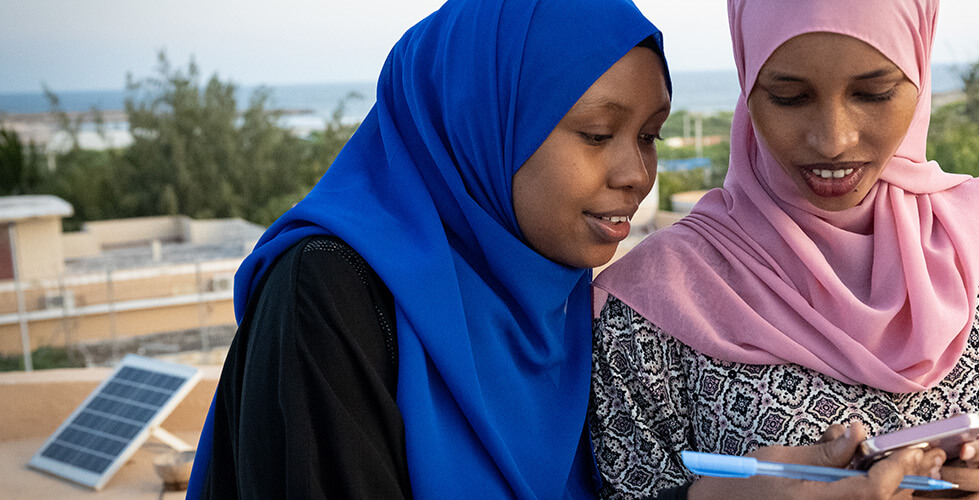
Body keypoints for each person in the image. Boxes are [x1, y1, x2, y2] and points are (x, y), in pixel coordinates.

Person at [589, 0, 979, 498]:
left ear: (918, 71)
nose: (833, 138)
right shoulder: (648, 305)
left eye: (873, 92)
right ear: (748, 87)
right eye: (788, 97)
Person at [184, 0, 671, 498]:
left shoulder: (568, 306)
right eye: (597, 134)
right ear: (480, 120)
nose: (635, 175)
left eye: (649, 136)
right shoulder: (330, 292)